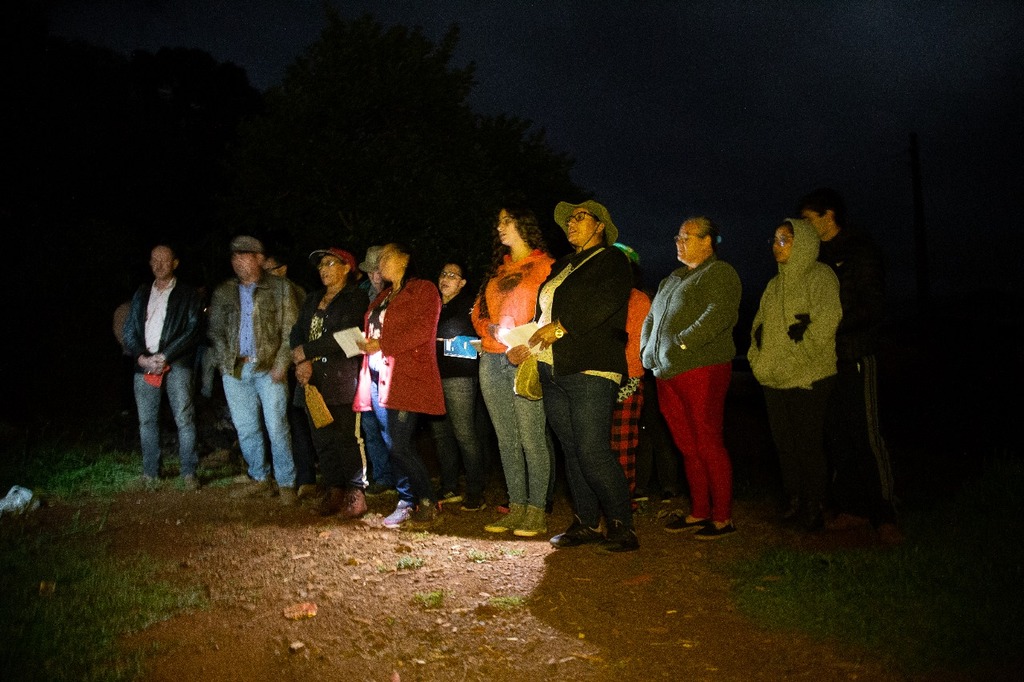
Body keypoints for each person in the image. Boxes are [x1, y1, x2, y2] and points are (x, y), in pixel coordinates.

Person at [520, 200, 636, 552]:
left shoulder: (613, 260)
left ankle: (621, 526)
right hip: (553, 367)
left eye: (580, 217)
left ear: (600, 226)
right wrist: (524, 343)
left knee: (592, 449)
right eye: (569, 218)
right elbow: (544, 316)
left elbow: (604, 303)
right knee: (572, 450)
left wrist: (561, 327)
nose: (571, 222)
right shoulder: (563, 266)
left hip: (591, 366)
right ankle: (586, 522)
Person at [798, 188, 901, 545]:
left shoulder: (860, 250)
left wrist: (828, 326)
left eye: (809, 219)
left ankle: (885, 514)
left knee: (867, 435)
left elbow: (872, 306)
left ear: (828, 216)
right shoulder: (816, 256)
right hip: (825, 360)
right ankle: (852, 508)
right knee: (836, 434)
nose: (804, 227)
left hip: (856, 354)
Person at [641, 216, 742, 539]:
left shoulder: (719, 273)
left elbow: (719, 313)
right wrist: (646, 350)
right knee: (686, 444)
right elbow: (651, 318)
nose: (679, 242)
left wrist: (682, 342)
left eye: (687, 237)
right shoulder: (672, 278)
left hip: (702, 367)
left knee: (707, 439)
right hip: (666, 371)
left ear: (707, 241)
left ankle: (722, 517)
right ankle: (699, 510)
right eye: (678, 237)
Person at [747, 219, 841, 531]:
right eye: (775, 240)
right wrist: (758, 360)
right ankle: (795, 500)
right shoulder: (773, 286)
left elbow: (827, 321)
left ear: (803, 242)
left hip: (809, 375)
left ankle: (815, 505)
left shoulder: (821, 276)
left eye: (784, 239)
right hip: (774, 377)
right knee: (784, 443)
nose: (777, 246)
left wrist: (801, 354)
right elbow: (757, 327)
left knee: (807, 443)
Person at [472, 207, 555, 538]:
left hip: (526, 357)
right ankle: (516, 507)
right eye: (499, 221)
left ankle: (537, 511)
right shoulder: (497, 271)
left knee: (532, 437)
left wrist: (531, 344)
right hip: (492, 360)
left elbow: (552, 311)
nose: (500, 226)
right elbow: (478, 313)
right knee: (506, 439)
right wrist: (489, 329)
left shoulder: (546, 266)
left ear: (524, 223)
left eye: (506, 220)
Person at [354, 243, 445, 528]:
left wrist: (382, 343)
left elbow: (422, 330)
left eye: (386, 257)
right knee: (390, 441)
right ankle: (406, 500)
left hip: (406, 376)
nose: (380, 263)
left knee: (399, 443)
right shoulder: (384, 295)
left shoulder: (424, 289)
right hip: (378, 375)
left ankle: (428, 500)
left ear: (405, 258)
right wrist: (365, 342)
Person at [208, 235, 300, 505]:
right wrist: (225, 363)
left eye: (244, 255)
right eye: (234, 256)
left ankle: (286, 483)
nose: (237, 261)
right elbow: (215, 331)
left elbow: (291, 330)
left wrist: (282, 363)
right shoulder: (225, 291)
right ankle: (260, 478)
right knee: (246, 428)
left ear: (259, 258)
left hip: (268, 368)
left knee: (277, 427)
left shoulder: (281, 288)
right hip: (236, 370)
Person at [290, 247, 369, 518]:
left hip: (340, 376)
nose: (323, 269)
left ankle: (356, 491)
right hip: (312, 378)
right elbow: (297, 332)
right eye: (321, 265)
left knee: (346, 436)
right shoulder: (313, 298)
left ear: (347, 267)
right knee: (321, 437)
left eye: (330, 263)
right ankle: (334, 488)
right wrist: (301, 360)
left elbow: (346, 335)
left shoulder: (355, 298)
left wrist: (307, 352)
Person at [121, 244, 203, 489]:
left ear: (175, 263)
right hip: (145, 365)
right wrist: (141, 358)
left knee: (184, 418)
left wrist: (166, 355)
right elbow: (129, 329)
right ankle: (150, 473)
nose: (158, 264)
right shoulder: (141, 293)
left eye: (164, 260)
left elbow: (193, 330)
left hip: (177, 365)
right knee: (147, 420)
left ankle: (188, 472)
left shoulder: (188, 294)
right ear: (149, 263)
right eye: (154, 260)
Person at [431, 261, 488, 511]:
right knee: (441, 434)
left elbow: (479, 338)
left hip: (460, 376)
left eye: (452, 275)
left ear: (462, 283)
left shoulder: (469, 305)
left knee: (465, 433)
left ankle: (475, 490)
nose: (446, 278)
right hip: (434, 376)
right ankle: (449, 486)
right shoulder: (433, 304)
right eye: (443, 273)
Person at [263, 251, 317, 502]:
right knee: (277, 422)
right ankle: (281, 475)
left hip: (293, 365)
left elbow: (295, 332)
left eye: (268, 271)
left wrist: (287, 361)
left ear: (282, 269)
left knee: (297, 421)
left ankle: (306, 478)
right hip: (272, 367)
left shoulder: (293, 291)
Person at [610, 243, 651, 501]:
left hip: (628, 377)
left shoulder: (638, 299)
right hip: (601, 376)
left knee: (623, 442)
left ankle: (623, 500)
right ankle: (607, 497)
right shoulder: (602, 297)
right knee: (600, 443)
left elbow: (635, 344)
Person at [356, 245, 395, 495]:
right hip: (366, 365)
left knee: (390, 426)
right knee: (370, 425)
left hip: (390, 366)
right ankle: (382, 476)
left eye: (378, 271)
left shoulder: (398, 294)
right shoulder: (362, 294)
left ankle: (400, 477)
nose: (374, 276)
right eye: (370, 272)